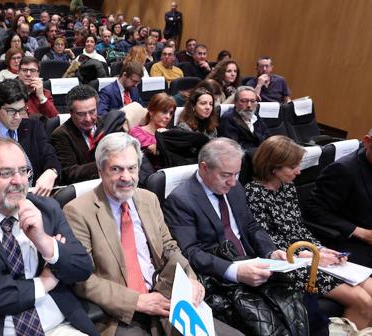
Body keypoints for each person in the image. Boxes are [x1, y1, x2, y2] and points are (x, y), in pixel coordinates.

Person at [64, 133, 242, 336]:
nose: (126, 177)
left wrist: (191, 279)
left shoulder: (149, 199)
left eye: (132, 168)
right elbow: (81, 278)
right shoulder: (77, 211)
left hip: (164, 295)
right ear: (100, 171)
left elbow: (169, 248)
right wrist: (136, 301)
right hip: (119, 311)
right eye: (116, 169)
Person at [0, 136, 97, 336]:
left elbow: (83, 268)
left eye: (23, 171)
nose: (19, 181)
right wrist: (44, 282)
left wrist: (43, 241)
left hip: (58, 325)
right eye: (6, 173)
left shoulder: (47, 209)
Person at [164, 138, 298, 336]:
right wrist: (234, 270)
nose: (233, 182)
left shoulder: (234, 187)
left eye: (236, 174)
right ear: (204, 168)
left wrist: (270, 251)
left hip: (256, 265)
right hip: (221, 278)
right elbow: (190, 252)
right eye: (226, 175)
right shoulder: (181, 200)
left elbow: (251, 226)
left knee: (302, 308)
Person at [246, 135, 372, 330]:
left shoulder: (287, 187)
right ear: (273, 167)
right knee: (363, 302)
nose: (299, 171)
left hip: (308, 254)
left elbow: (299, 227)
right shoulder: (253, 193)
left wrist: (322, 249)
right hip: (288, 264)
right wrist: (307, 255)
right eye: (293, 166)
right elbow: (263, 240)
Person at [306, 129, 372, 268]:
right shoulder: (343, 170)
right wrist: (361, 233)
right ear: (367, 142)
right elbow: (314, 209)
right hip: (355, 242)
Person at [51, 85, 101, 184]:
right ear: (70, 112)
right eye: (81, 114)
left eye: (92, 112)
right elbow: (70, 173)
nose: (88, 119)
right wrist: (106, 164)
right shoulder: (61, 135)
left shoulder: (107, 124)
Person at [0, 56, 58, 120]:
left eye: (32, 70)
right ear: (18, 72)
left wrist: (41, 97)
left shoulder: (45, 93)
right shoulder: (4, 89)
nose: (28, 74)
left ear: (38, 74)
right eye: (24, 70)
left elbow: (54, 119)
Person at [219, 86, 269, 151]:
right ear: (235, 102)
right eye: (244, 101)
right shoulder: (228, 118)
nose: (249, 105)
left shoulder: (255, 116)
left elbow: (267, 137)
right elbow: (234, 147)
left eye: (252, 101)